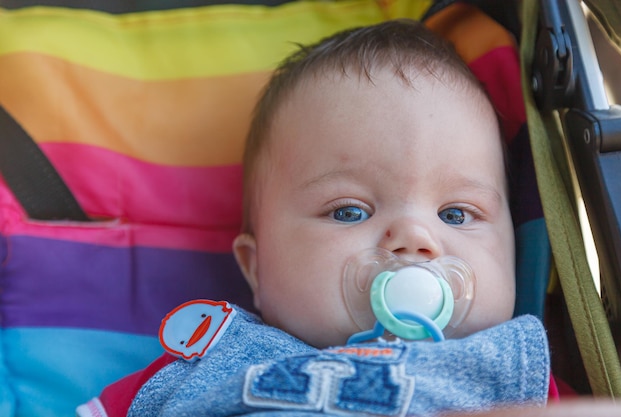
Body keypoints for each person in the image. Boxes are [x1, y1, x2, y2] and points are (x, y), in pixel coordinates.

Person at [77, 19, 555, 417]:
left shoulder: (512, 372)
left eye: (456, 213)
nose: (414, 238)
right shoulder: (211, 359)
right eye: (349, 211)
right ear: (256, 266)